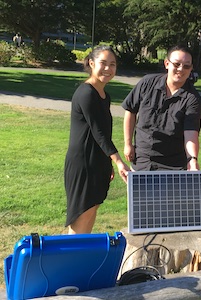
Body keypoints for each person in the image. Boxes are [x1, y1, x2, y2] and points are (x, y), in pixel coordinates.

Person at [64, 45, 130, 234]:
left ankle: (79, 258)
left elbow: (103, 135)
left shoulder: (103, 95)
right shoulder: (86, 93)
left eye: (113, 64)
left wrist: (106, 163)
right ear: (91, 63)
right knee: (81, 216)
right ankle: (72, 260)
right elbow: (98, 132)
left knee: (91, 212)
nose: (108, 69)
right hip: (83, 163)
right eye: (103, 63)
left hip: (97, 161)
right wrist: (118, 162)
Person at [122, 44, 201, 171]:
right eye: (176, 64)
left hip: (172, 164)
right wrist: (127, 144)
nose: (181, 69)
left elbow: (191, 133)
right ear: (167, 64)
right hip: (142, 158)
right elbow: (130, 110)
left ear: (191, 68)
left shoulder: (193, 98)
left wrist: (192, 159)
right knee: (138, 191)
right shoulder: (147, 83)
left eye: (186, 66)